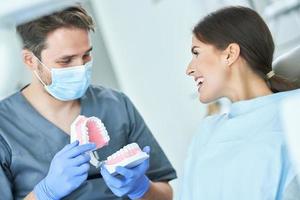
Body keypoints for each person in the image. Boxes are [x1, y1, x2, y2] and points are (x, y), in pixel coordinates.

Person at [0, 5, 176, 200]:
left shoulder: (115, 104)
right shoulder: (5, 127)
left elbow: (165, 195)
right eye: (66, 61)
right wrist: (44, 193)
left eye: (86, 55)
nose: (81, 68)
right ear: (30, 60)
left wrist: (141, 189)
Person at [181, 6, 300, 200]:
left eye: (196, 53)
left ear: (230, 54)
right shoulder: (206, 132)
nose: (189, 69)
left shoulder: (294, 112)